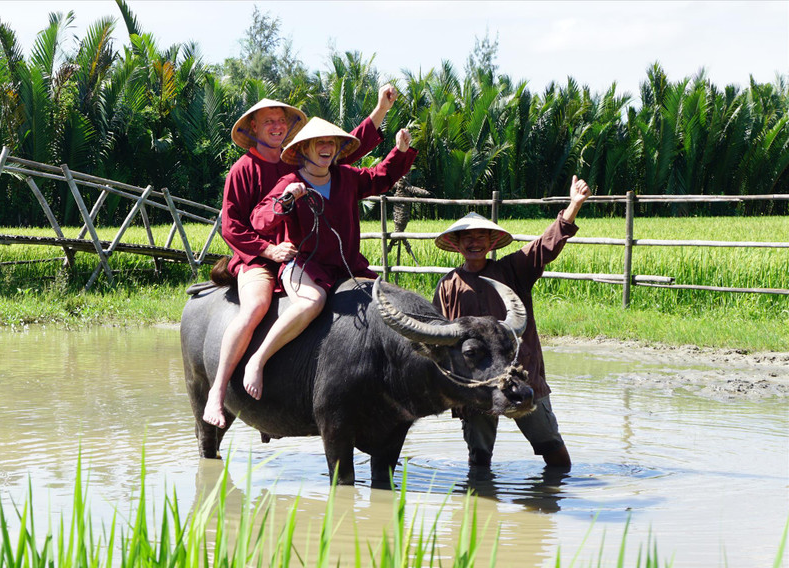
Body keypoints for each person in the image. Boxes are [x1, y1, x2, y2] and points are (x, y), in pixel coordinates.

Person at [203, 87, 398, 429]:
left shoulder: (302, 159)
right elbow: (232, 226)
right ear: (253, 128)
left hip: (305, 251)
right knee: (255, 307)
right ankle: (217, 393)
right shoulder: (243, 170)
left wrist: (381, 109)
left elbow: (347, 146)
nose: (276, 126)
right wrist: (267, 250)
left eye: (281, 121)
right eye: (268, 122)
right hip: (262, 258)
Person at [244, 117, 417, 399]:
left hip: (347, 267)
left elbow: (381, 177)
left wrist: (399, 150)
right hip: (304, 265)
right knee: (313, 302)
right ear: (305, 149)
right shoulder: (290, 182)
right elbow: (259, 221)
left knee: (387, 299)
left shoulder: (346, 177)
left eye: (332, 143)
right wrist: (287, 200)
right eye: (319, 142)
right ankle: (258, 359)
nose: (326, 147)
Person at [432, 175, 592, 469]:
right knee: (478, 459)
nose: (474, 243)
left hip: (522, 374)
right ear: (456, 244)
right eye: (467, 238)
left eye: (481, 237)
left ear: (492, 242)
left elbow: (546, 246)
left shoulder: (513, 270)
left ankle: (556, 495)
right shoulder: (448, 286)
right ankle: (481, 505)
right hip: (476, 384)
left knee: (551, 448)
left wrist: (574, 206)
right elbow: (439, 339)